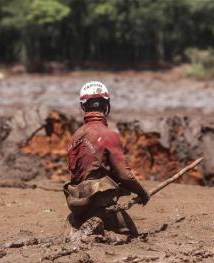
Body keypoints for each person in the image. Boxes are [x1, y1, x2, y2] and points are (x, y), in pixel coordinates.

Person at [63, 81, 150, 239]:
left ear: (83, 106)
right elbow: (125, 175)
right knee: (130, 235)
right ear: (106, 105)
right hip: (100, 208)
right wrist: (142, 193)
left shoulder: (74, 137)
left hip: (76, 207)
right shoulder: (108, 135)